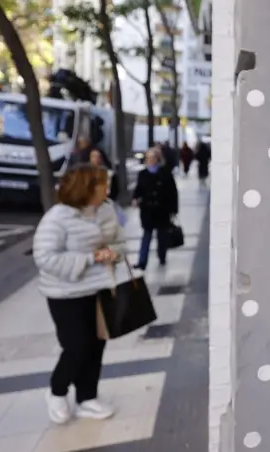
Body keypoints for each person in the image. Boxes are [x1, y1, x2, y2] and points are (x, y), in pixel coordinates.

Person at [33, 164, 127, 424]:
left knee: (97, 345)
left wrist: (114, 253)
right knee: (77, 346)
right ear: (86, 188)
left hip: (99, 288)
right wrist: (89, 258)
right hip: (66, 293)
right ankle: (57, 391)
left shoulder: (106, 210)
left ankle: (87, 397)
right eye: (103, 184)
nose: (107, 189)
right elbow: (45, 257)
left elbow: (120, 242)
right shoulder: (57, 217)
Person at [131, 148, 179, 269]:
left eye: (153, 158)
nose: (150, 160)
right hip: (147, 211)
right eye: (148, 158)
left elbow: (173, 192)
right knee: (146, 236)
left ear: (157, 159)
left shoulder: (165, 173)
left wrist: (174, 210)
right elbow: (138, 189)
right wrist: (135, 199)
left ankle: (162, 256)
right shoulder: (143, 174)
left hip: (162, 211)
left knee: (162, 237)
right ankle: (142, 261)